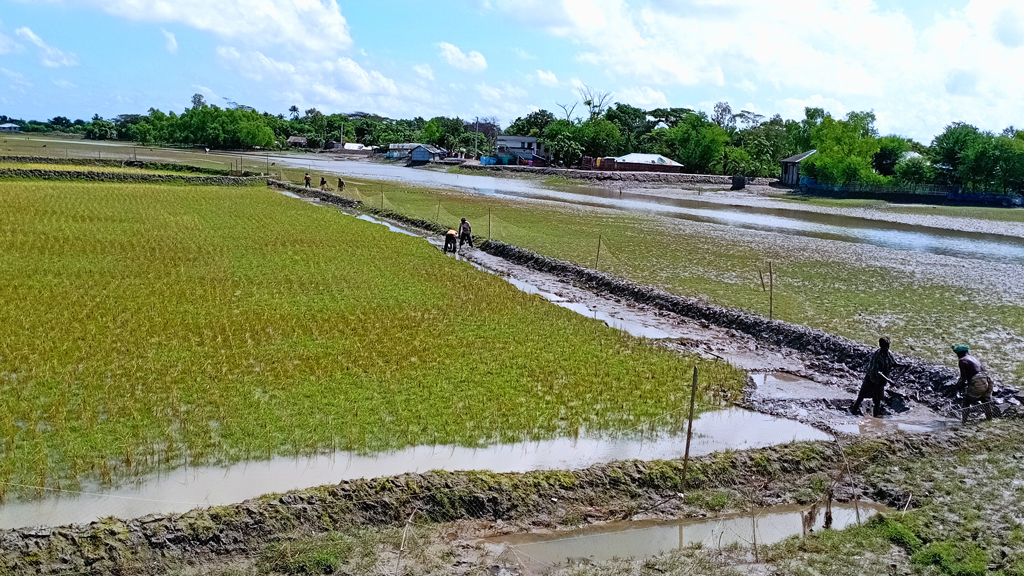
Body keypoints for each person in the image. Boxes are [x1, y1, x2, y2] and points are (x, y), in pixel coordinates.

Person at [850, 337, 905, 417]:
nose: (886, 348)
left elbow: (894, 363)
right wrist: (889, 380)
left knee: (877, 400)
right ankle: (852, 412)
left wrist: (903, 365)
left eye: (887, 346)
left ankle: (876, 417)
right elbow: (877, 372)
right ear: (880, 346)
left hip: (880, 382)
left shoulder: (888, 354)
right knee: (861, 396)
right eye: (884, 346)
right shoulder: (877, 356)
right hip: (871, 379)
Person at [953, 345, 994, 422]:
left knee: (966, 401)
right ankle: (989, 419)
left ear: (959, 354)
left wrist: (958, 386)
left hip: (978, 380)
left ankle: (964, 421)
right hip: (988, 379)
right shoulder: (974, 358)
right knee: (985, 401)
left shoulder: (962, 360)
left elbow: (963, 377)